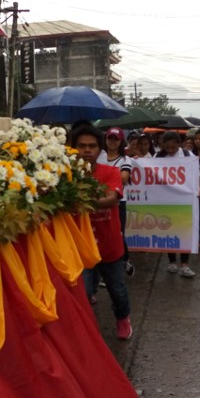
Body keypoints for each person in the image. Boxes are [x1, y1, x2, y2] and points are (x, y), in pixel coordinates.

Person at [70, 124, 133, 340]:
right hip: (81, 248)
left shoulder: (111, 172)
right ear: (73, 148)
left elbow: (111, 199)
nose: (87, 150)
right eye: (82, 146)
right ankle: (89, 334)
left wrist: (76, 201)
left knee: (117, 291)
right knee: (84, 293)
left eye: (92, 146)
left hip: (109, 246)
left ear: (100, 150)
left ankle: (123, 319)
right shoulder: (66, 176)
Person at [155, 131, 196, 278]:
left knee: (184, 232)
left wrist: (198, 190)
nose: (170, 150)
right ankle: (172, 262)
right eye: (167, 148)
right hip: (166, 201)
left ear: (179, 144)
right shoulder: (158, 157)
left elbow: (195, 176)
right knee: (169, 231)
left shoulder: (188, 156)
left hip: (184, 200)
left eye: (173, 147)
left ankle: (184, 265)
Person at [97, 127, 135, 278]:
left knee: (117, 234)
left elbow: (124, 179)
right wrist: (111, 179)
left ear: (121, 142)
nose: (112, 142)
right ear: (105, 140)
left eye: (116, 139)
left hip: (118, 202)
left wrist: (103, 179)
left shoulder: (126, 160)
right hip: (98, 201)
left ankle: (124, 260)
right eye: (110, 138)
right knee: (100, 234)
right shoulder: (99, 157)